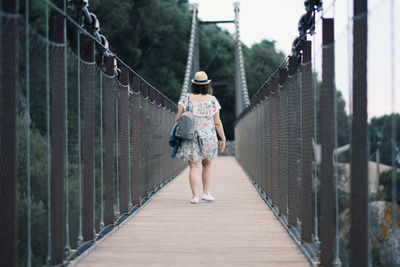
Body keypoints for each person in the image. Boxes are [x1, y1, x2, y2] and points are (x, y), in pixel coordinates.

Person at [174, 71, 226, 204]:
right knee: (207, 164)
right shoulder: (212, 100)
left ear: (194, 85)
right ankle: (206, 193)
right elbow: (217, 122)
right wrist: (223, 138)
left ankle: (194, 197)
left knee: (194, 166)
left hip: (190, 136)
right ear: (207, 85)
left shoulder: (186, 98)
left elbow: (178, 118)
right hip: (209, 137)